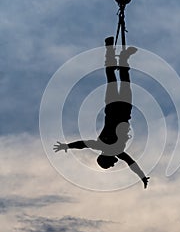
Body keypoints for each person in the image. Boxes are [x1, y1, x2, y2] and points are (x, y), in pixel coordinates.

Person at [53, 37, 150, 189]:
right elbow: (131, 163)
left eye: (110, 165)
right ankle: (122, 57)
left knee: (115, 80)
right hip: (120, 109)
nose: (113, 164)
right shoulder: (111, 148)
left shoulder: (108, 147)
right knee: (117, 80)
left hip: (117, 108)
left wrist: (67, 146)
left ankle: (111, 52)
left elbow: (82, 144)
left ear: (107, 158)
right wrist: (142, 176)